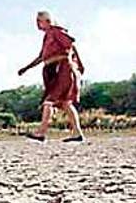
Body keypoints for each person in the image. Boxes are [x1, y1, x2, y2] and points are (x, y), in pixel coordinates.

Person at [17, 10, 86, 142]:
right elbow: (41, 57)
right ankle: (77, 134)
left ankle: (41, 133)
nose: (37, 23)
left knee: (49, 101)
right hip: (52, 69)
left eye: (39, 21)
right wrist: (26, 68)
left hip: (62, 69)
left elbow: (70, 45)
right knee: (65, 103)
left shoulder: (56, 31)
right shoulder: (48, 36)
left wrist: (77, 64)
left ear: (47, 21)